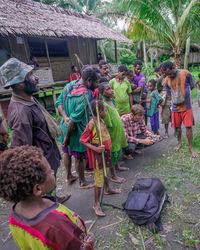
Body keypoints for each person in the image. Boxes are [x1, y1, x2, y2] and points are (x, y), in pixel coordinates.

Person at [0, 58, 69, 203]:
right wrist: (38, 167)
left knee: (52, 182)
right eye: (30, 75)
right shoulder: (21, 112)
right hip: (41, 159)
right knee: (45, 188)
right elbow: (22, 148)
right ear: (19, 83)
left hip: (48, 152)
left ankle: (53, 198)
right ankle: (49, 205)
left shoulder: (27, 98)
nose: (36, 77)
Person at [0, 145, 94, 250]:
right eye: (50, 171)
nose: (53, 171)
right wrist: (89, 242)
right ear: (38, 188)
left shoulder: (15, 214)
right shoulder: (55, 226)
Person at [56, 66, 100, 189]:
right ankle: (82, 182)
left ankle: (69, 175)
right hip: (75, 130)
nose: (97, 85)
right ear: (89, 80)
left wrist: (65, 116)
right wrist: (67, 138)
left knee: (67, 152)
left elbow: (59, 103)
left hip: (64, 126)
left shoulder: (70, 85)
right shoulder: (85, 95)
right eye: (96, 82)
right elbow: (74, 121)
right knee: (79, 157)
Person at [80, 100, 120, 217]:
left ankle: (108, 189)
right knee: (98, 178)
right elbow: (82, 140)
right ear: (100, 111)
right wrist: (95, 149)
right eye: (105, 110)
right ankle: (96, 204)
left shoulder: (101, 121)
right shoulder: (92, 124)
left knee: (105, 172)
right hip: (99, 156)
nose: (106, 112)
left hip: (106, 153)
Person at [161, 61, 197, 157]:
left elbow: (192, 85)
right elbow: (169, 94)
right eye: (165, 74)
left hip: (187, 107)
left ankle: (190, 147)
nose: (167, 75)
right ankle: (179, 143)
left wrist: (187, 94)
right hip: (175, 108)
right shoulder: (167, 80)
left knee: (188, 127)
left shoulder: (185, 73)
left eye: (168, 73)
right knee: (177, 127)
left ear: (173, 67)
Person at [99, 82, 132, 164]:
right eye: (108, 89)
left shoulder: (111, 101)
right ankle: (114, 168)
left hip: (117, 130)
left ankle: (117, 164)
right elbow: (107, 121)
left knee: (117, 149)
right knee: (113, 150)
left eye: (111, 88)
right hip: (112, 132)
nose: (112, 90)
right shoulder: (104, 105)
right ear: (102, 92)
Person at [155, 65, 171, 138]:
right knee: (165, 116)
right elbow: (158, 89)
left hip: (173, 98)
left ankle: (177, 131)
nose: (163, 74)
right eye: (162, 72)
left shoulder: (172, 77)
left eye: (164, 72)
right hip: (165, 99)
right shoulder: (160, 79)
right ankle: (166, 132)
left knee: (175, 116)